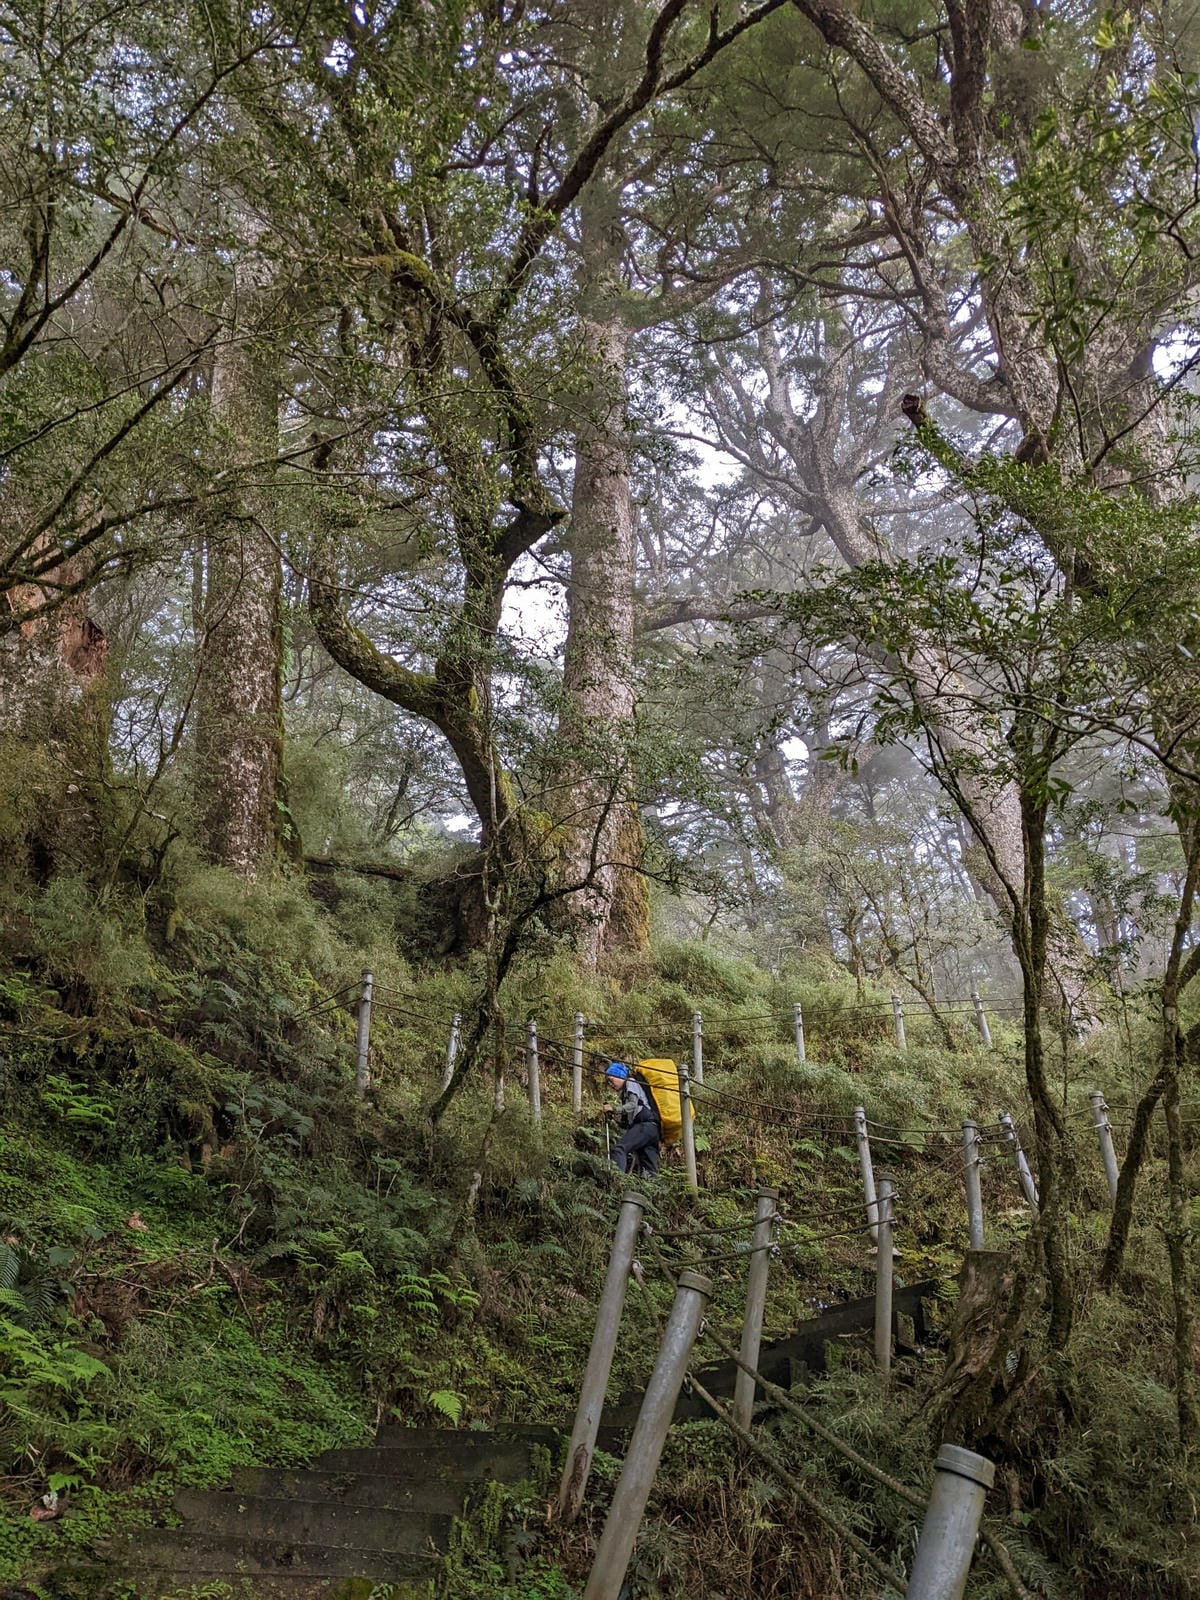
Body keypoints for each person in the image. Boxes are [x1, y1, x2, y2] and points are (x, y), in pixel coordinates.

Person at [604, 1062, 661, 1178]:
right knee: (648, 1166)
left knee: (620, 1149)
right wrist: (615, 1118)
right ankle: (651, 1192)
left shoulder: (630, 1082)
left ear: (620, 1075)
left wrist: (614, 1109)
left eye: (611, 1079)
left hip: (644, 1126)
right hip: (653, 1129)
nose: (611, 1084)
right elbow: (628, 1120)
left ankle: (617, 1181)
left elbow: (632, 1105)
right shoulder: (626, 1091)